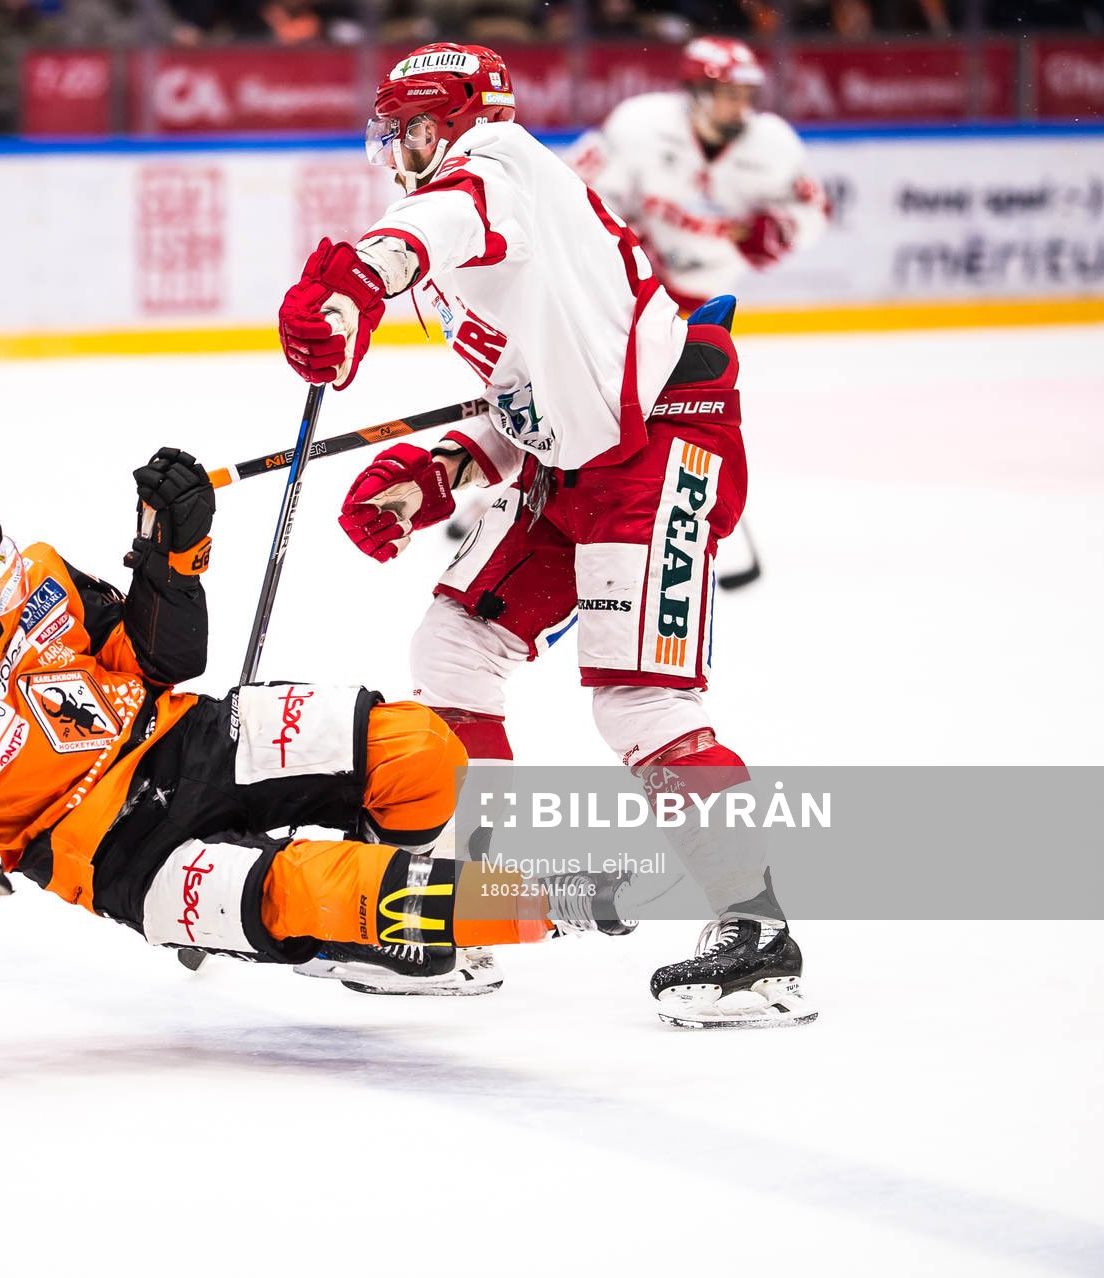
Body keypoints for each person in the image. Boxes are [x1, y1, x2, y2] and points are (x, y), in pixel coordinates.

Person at [274, 42, 814, 1027]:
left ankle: (758, 936)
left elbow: (434, 224)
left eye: (399, 132)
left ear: (440, 126)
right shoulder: (508, 218)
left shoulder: (496, 169)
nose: (389, 151)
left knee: (640, 703)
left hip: (664, 447)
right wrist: (444, 471)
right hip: (585, 456)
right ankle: (475, 913)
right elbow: (541, 398)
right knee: (454, 646)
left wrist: (357, 280)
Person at [0, 451, 591, 989]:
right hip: (112, 852)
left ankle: (380, 939)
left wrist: (173, 557)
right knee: (317, 885)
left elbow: (163, 663)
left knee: (419, 747)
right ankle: (541, 903)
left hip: (189, 740)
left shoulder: (41, 580)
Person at [566, 37, 828, 314]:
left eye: (747, 96)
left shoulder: (774, 143)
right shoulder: (640, 124)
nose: (741, 108)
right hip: (622, 287)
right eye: (730, 95)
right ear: (697, 92)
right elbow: (573, 186)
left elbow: (815, 210)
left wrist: (781, 228)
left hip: (703, 296)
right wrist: (617, 234)